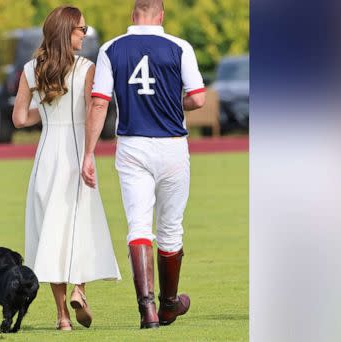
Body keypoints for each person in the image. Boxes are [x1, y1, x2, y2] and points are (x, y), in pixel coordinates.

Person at [81, 0, 206, 329]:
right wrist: (171, 102)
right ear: (161, 15)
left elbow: (99, 103)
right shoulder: (180, 47)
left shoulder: (111, 49)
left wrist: (88, 152)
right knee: (170, 229)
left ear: (133, 15)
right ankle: (168, 305)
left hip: (132, 144)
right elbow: (198, 97)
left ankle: (148, 310)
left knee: (139, 227)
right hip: (172, 146)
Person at [12, 5, 121, 331]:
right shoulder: (87, 68)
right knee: (80, 227)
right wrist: (90, 153)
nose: (85, 35)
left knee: (50, 234)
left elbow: (19, 119)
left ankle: (62, 318)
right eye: (81, 30)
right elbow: (92, 113)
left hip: (46, 159)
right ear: (66, 32)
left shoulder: (32, 69)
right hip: (76, 154)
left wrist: (43, 111)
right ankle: (79, 290)